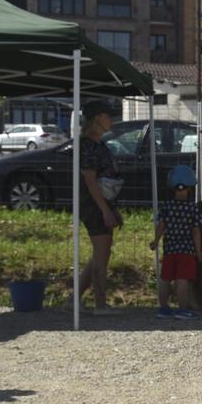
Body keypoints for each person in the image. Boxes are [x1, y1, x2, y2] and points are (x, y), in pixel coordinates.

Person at [76, 99, 122, 314]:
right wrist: (104, 210)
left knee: (99, 254)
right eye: (107, 115)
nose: (111, 119)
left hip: (102, 203)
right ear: (97, 119)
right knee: (101, 255)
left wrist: (111, 208)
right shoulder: (87, 145)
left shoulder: (99, 144)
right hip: (94, 205)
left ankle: (74, 300)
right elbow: (90, 181)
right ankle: (100, 304)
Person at [153, 164, 201, 321]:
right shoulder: (193, 208)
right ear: (189, 187)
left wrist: (155, 241)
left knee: (165, 278)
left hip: (169, 249)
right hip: (186, 250)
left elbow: (161, 226)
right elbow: (196, 231)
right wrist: (199, 251)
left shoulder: (166, 206)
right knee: (182, 280)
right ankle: (182, 309)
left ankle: (163, 308)